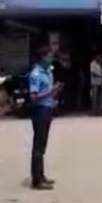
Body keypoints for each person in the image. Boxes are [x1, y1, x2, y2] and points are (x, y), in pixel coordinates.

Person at [28, 46, 60, 190]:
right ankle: (36, 180)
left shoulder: (48, 72)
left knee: (42, 145)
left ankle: (41, 175)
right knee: (38, 146)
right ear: (42, 57)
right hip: (39, 110)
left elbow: (48, 92)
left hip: (47, 109)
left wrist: (55, 93)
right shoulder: (36, 74)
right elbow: (34, 97)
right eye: (49, 56)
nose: (51, 58)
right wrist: (51, 91)